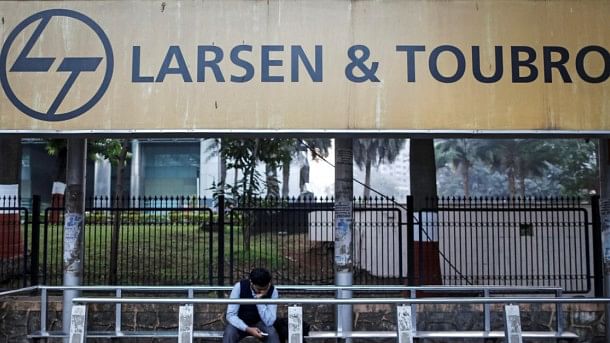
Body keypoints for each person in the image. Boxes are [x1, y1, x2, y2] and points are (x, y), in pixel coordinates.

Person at [223, 268, 280, 343]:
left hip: (260, 322)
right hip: (240, 320)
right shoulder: (239, 287)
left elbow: (269, 321)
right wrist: (248, 329)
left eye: (265, 288)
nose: (262, 291)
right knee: (229, 333)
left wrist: (259, 301)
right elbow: (231, 315)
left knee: (272, 334)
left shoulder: (273, 291)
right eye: (259, 290)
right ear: (251, 282)